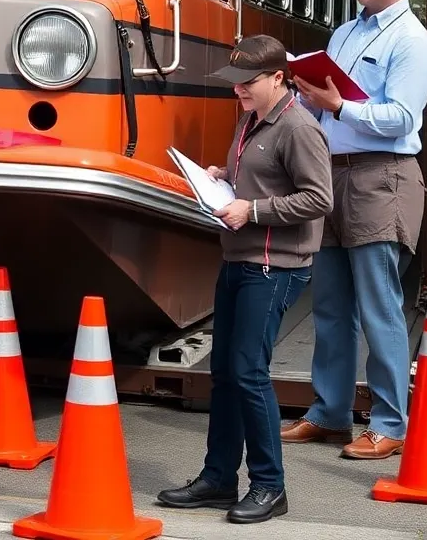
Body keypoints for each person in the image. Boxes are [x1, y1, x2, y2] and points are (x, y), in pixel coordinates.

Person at [156, 35, 333, 525]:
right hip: (241, 259)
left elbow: (319, 198)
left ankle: (270, 486)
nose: (238, 90)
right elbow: (263, 179)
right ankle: (218, 478)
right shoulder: (252, 117)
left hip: (274, 265)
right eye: (234, 82)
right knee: (226, 373)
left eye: (247, 82)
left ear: (278, 78)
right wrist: (224, 178)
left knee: (248, 372)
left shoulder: (298, 127)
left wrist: (250, 209)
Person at [283, 0, 427, 458]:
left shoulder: (411, 40)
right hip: (332, 173)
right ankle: (330, 413)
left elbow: (402, 118)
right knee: (330, 304)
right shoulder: (344, 33)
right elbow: (326, 106)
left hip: (381, 176)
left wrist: (339, 106)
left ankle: (391, 424)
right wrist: (303, 97)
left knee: (379, 306)